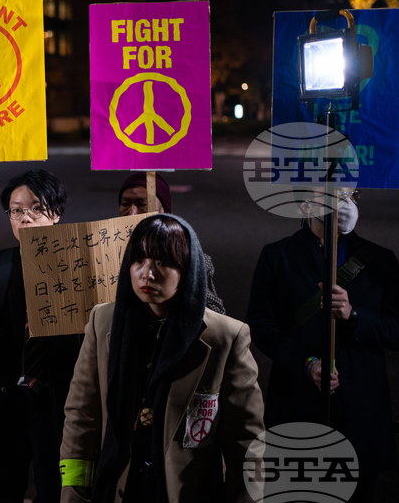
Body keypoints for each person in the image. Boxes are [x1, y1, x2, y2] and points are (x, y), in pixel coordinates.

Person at [60, 214, 264, 503]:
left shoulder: (225, 337)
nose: (147, 274)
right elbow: (81, 419)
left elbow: (245, 441)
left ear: (188, 269)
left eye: (163, 262)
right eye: (138, 260)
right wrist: (73, 493)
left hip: (188, 491)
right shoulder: (103, 322)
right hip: (116, 487)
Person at [246, 189, 399, 502]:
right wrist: (307, 364)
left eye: (349, 194)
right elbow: (261, 326)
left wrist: (354, 315)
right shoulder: (277, 255)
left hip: (360, 418)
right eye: (330, 192)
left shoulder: (380, 260)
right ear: (306, 203)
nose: (343, 201)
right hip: (296, 408)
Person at [0, 169, 80, 503]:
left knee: (60, 492)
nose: (25, 218)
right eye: (16, 210)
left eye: (35, 209)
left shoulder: (80, 266)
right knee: (1, 492)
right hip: (7, 407)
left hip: (61, 408)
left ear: (56, 214)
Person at [118, 172, 226, 315]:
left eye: (142, 204)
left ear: (165, 211)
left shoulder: (188, 256)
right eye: (125, 204)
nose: (132, 212)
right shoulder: (102, 252)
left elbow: (213, 311)